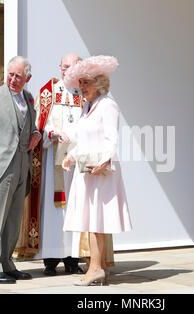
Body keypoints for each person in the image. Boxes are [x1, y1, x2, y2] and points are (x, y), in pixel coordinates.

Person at [62, 55, 133, 286]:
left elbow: (112, 139)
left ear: (99, 84)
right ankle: (100, 267)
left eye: (86, 83)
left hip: (100, 173)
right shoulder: (87, 107)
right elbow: (84, 139)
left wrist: (104, 161)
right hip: (87, 171)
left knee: (95, 222)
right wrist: (71, 156)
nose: (81, 88)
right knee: (93, 222)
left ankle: (94, 268)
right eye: (80, 83)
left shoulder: (108, 105)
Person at [0, 56, 42, 283]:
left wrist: (36, 134)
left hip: (23, 164)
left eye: (18, 76)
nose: (13, 79)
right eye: (10, 74)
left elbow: (30, 127)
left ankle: (6, 263)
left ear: (27, 78)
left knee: (13, 219)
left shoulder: (29, 98)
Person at [34, 53, 85, 275]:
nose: (65, 71)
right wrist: (52, 134)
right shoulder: (48, 93)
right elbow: (37, 127)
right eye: (63, 66)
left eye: (70, 67)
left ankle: (73, 258)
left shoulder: (85, 95)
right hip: (52, 160)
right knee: (54, 210)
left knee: (76, 208)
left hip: (76, 163)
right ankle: (51, 259)